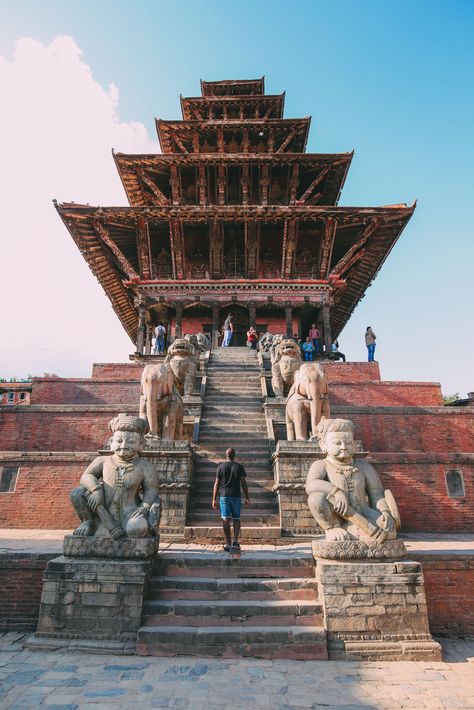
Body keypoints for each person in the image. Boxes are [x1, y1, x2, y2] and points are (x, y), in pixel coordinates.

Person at [212, 447, 250, 552]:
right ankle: (236, 541)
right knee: (236, 519)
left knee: (225, 519)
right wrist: (247, 497)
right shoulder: (239, 467)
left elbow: (217, 483)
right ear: (234, 456)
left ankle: (228, 544)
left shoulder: (220, 467)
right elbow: (243, 483)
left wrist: (214, 499)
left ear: (226, 455)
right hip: (236, 496)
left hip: (224, 496)